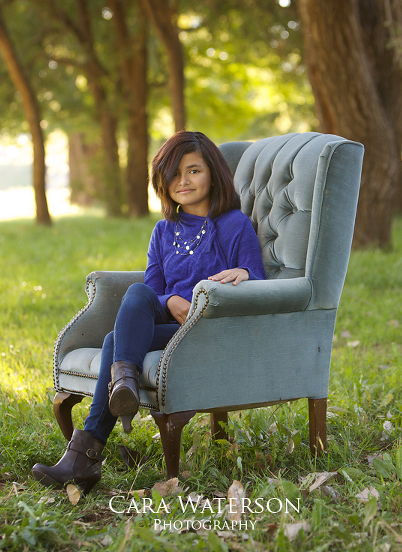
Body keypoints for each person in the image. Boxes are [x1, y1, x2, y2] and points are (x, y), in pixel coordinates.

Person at [32, 131, 266, 493]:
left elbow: (258, 279)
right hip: (172, 327)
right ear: (162, 181)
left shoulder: (234, 224)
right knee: (137, 297)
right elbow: (152, 294)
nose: (183, 181)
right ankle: (121, 386)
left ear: (213, 174)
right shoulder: (163, 231)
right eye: (174, 174)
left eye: (193, 171)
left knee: (115, 342)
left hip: (208, 328)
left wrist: (246, 274)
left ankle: (85, 454)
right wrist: (171, 300)